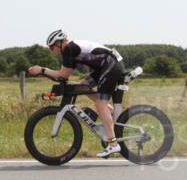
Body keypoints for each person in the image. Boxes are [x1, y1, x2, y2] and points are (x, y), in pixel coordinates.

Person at [28, 29, 125, 158]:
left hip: (111, 64)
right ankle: (110, 113)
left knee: (100, 103)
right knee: (83, 86)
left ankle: (113, 144)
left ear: (59, 43)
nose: (51, 50)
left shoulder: (69, 48)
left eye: (51, 47)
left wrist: (42, 70)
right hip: (106, 65)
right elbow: (64, 76)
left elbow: (62, 75)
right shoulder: (70, 50)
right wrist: (44, 72)